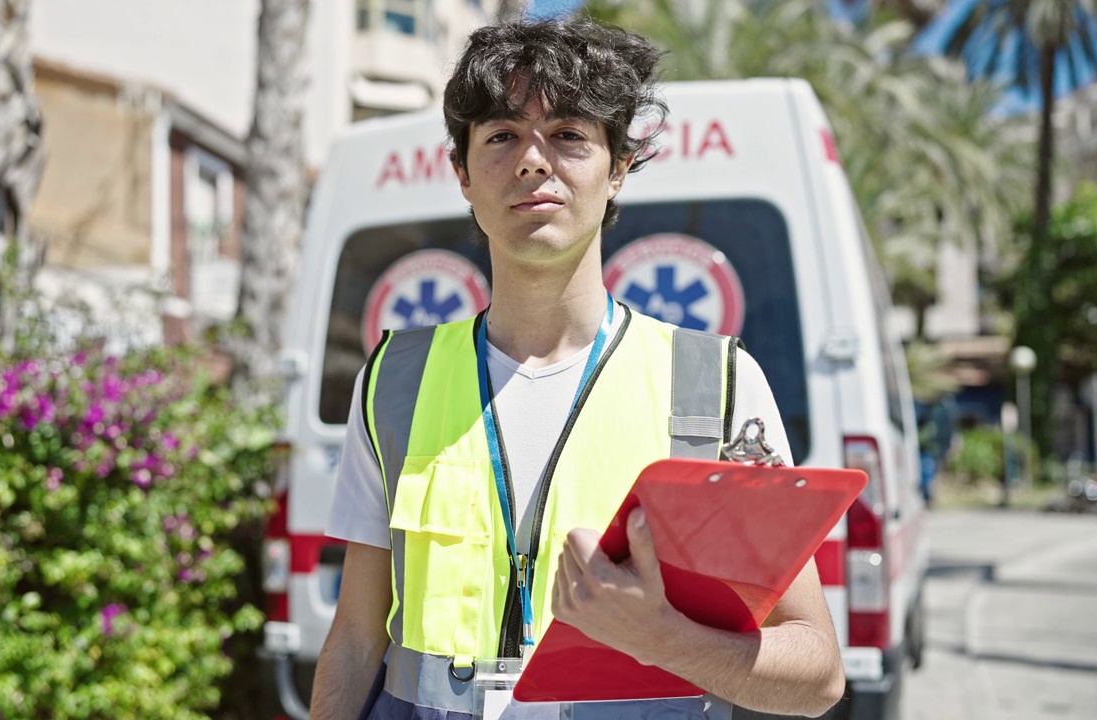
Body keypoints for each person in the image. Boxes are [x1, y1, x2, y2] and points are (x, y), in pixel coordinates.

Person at [309, 19, 845, 720]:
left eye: (568, 134)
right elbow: (353, 641)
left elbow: (817, 673)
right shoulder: (394, 380)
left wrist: (668, 642)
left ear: (618, 167)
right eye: (501, 136)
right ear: (463, 174)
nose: (533, 161)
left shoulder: (715, 385)